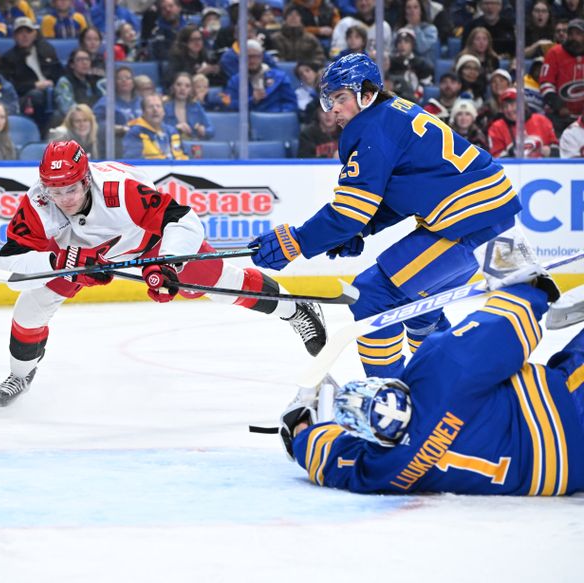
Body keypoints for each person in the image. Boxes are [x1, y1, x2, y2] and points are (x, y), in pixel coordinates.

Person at [0, 140, 328, 407]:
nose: (63, 199)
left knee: (215, 284)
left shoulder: (119, 190)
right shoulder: (37, 202)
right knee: (33, 305)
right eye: (54, 191)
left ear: (86, 178)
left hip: (150, 241)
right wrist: (64, 261)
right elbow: (10, 260)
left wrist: (167, 263)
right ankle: (20, 375)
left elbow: (182, 218)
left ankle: (294, 307)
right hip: (76, 257)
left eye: (71, 190)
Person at [248, 53, 521, 378]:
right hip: (482, 214)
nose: (333, 108)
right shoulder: (393, 114)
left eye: (341, 98)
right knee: (417, 311)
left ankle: (386, 397)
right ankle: (444, 386)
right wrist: (361, 231)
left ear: (366, 95)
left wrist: (297, 241)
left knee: (373, 294)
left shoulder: (372, 130)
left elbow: (348, 213)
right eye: (329, 100)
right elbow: (399, 197)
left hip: (468, 223)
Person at [281, 272, 584, 495]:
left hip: (568, 474)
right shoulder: (439, 375)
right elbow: (503, 329)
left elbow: (326, 457)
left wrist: (300, 434)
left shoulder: (380, 468)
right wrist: (525, 287)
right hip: (568, 406)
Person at [225, 39, 298, 113]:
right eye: (248, 57)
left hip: (275, 117)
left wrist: (279, 115)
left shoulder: (279, 77)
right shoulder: (235, 81)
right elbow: (229, 105)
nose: (252, 60)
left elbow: (291, 103)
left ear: (261, 57)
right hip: (248, 120)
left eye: (255, 56)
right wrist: (252, 100)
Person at [540, 18, 584, 136]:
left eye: (578, 34)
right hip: (559, 116)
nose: (574, 37)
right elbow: (545, 85)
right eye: (571, 34)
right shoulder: (554, 53)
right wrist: (559, 106)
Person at [487, 87, 559, 158]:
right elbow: (496, 158)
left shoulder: (542, 120)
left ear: (523, 104)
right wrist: (511, 154)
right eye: (505, 106)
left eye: (512, 104)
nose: (509, 109)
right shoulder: (496, 128)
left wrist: (547, 151)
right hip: (513, 169)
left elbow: (557, 151)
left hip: (542, 168)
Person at [123, 93, 188, 159]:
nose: (155, 110)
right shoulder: (135, 133)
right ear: (143, 112)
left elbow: (184, 156)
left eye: (158, 106)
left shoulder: (172, 131)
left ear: (163, 111)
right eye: (151, 107)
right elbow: (132, 161)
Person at [163, 71, 214, 141]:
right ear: (173, 87)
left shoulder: (196, 106)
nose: (182, 88)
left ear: (191, 90)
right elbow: (158, 131)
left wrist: (204, 130)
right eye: (178, 85)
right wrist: (175, 129)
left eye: (187, 86)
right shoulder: (164, 107)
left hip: (193, 147)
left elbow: (211, 130)